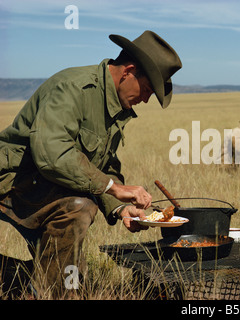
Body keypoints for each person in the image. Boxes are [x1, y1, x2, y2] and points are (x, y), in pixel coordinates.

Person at [0, 30, 182, 297]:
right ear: (128, 71)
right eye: (147, 90)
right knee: (79, 208)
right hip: (14, 181)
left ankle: (32, 283)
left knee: (74, 281)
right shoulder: (73, 87)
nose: (145, 100)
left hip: (48, 187)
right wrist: (111, 187)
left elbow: (103, 165)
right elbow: (53, 154)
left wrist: (121, 209)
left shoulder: (115, 106)